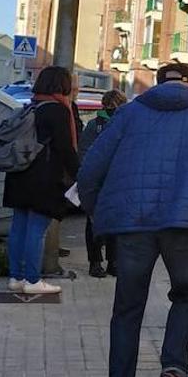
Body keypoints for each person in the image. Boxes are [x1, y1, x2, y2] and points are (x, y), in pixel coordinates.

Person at [78, 62, 188, 377]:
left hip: (134, 224)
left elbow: (91, 167)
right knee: (185, 295)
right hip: (185, 223)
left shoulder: (129, 113)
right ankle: (173, 371)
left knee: (127, 308)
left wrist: (97, 212)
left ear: (157, 81)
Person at [3, 66, 80, 296]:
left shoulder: (31, 106)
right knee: (36, 230)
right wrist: (79, 174)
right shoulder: (58, 110)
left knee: (19, 228)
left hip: (19, 174)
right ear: (62, 84)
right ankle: (32, 280)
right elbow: (65, 148)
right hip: (43, 178)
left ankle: (16, 277)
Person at [79, 89, 127, 278]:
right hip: (106, 181)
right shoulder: (98, 126)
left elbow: (84, 153)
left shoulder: (97, 125)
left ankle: (105, 262)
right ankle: (101, 261)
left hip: (106, 180)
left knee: (103, 223)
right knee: (99, 223)